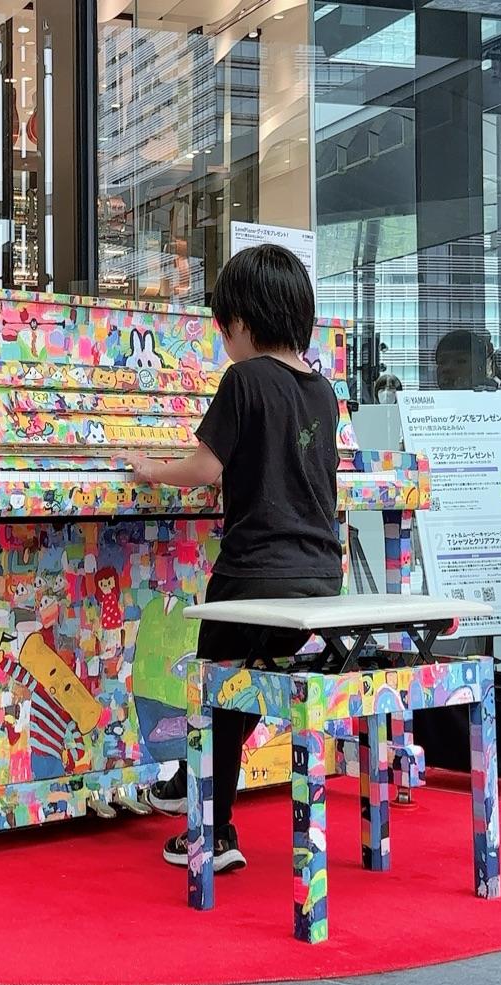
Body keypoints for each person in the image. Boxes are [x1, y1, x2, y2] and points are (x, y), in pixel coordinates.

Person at [129, 244, 343, 871]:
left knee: (215, 691)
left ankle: (214, 828)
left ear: (243, 322)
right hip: (318, 577)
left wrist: (149, 470)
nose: (224, 341)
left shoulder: (244, 380)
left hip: (252, 575)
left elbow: (204, 468)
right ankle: (187, 785)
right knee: (246, 682)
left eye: (223, 328)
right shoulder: (322, 391)